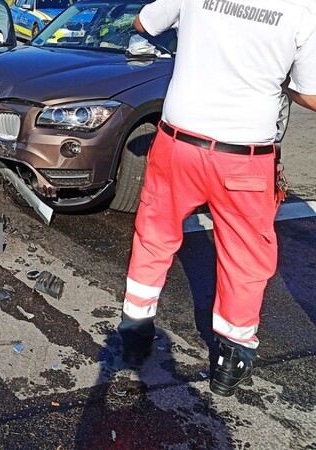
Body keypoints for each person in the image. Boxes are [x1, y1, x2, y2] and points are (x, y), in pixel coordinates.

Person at [117, 0, 316, 397]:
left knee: (154, 236)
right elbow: (311, 95)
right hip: (243, 157)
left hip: (178, 143)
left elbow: (143, 23)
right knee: (245, 255)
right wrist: (271, 78)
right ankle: (231, 359)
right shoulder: (302, 9)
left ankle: (135, 334)